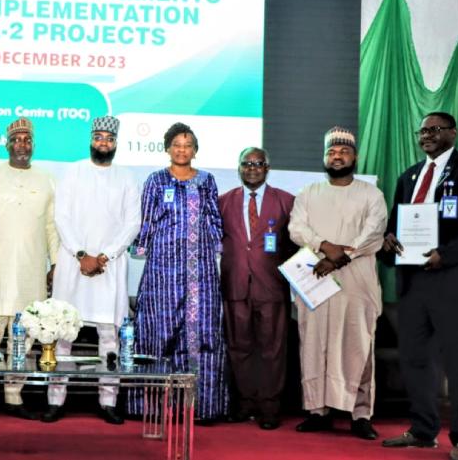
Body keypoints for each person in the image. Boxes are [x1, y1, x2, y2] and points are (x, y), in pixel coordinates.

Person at [288, 126, 387, 440]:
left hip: (357, 282)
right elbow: (296, 228)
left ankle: (361, 415)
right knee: (315, 345)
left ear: (354, 157)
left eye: (344, 151)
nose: (337, 156)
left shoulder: (372, 194)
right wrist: (323, 245)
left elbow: (374, 233)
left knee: (359, 347)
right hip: (317, 282)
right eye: (332, 151)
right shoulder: (309, 193)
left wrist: (339, 255)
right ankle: (318, 411)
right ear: (324, 157)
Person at [127, 122, 228, 423]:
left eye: (188, 145)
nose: (182, 150)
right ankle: (148, 408)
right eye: (177, 144)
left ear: (195, 150)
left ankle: (202, 408)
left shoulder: (207, 180)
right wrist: (140, 250)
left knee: (202, 337)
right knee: (156, 336)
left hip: (201, 275)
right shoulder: (156, 180)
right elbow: (146, 222)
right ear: (167, 148)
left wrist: (217, 250)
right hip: (162, 272)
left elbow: (214, 220)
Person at [45, 115, 141, 425]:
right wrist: (83, 254)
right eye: (98, 137)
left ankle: (108, 401)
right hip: (75, 264)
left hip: (109, 267)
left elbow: (132, 223)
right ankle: (55, 400)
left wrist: (105, 257)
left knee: (108, 336)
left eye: (108, 138)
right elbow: (62, 217)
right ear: (91, 139)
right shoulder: (72, 172)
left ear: (115, 143)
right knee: (62, 334)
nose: (103, 142)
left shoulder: (126, 178)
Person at [380, 112, 458, 460]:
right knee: (415, 359)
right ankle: (423, 430)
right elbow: (395, 227)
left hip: (451, 279)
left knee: (457, 361)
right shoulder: (409, 176)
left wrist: (444, 255)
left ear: (453, 133)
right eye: (423, 130)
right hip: (412, 282)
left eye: (435, 129)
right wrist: (389, 243)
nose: (427, 135)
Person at [0, 117, 58, 421]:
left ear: (33, 145)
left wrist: (56, 263)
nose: (22, 144)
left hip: (32, 269)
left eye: (27, 139)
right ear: (6, 143)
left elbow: (51, 226)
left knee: (24, 338)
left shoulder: (47, 179)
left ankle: (13, 396)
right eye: (16, 139)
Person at [219, 147, 295, 429]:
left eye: (258, 163)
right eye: (246, 163)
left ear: (268, 168)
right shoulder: (223, 202)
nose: (252, 168)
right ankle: (244, 403)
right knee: (239, 348)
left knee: (272, 349)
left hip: (272, 287)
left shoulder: (286, 201)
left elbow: (297, 244)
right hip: (235, 285)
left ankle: (269, 408)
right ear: (239, 168)